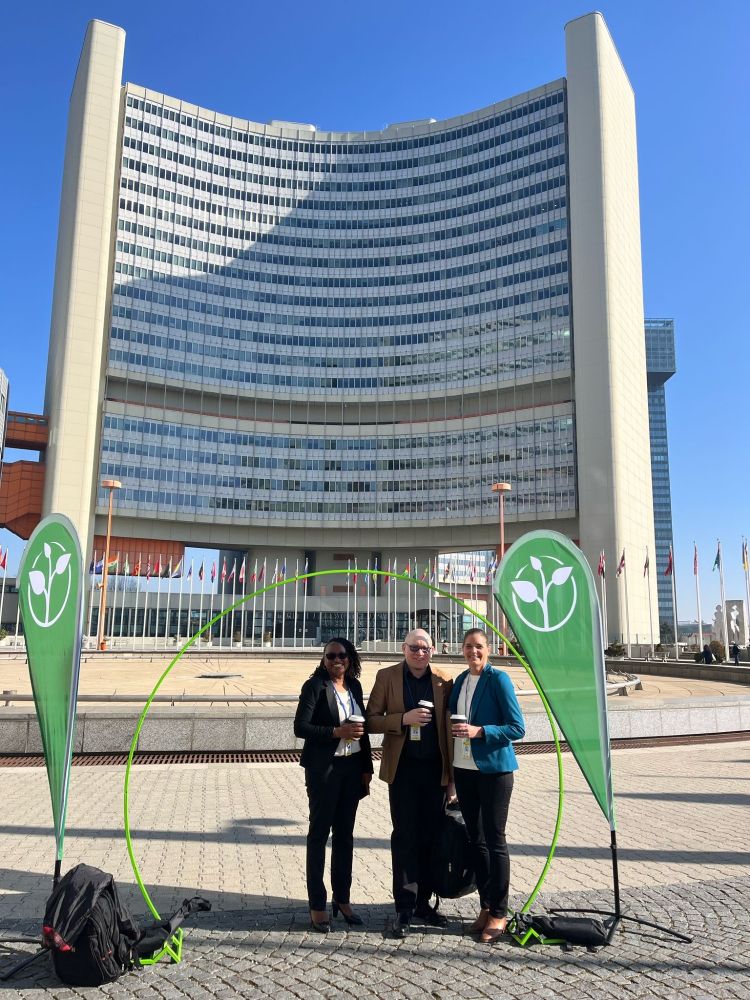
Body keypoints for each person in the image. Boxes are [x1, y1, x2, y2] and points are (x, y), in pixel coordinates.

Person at [366, 628, 453, 938]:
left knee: (432, 838)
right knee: (405, 837)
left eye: (425, 648)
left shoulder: (443, 680)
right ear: (403, 649)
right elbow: (372, 719)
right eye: (414, 648)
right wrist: (403, 719)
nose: (420, 653)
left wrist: (452, 778)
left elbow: (450, 729)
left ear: (433, 651)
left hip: (434, 772)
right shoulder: (387, 677)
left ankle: (424, 904)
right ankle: (403, 906)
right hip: (402, 771)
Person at [449, 628, 525, 943]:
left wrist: (481, 731)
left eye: (479, 646)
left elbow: (516, 727)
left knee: (495, 840)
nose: (473, 652)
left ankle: (500, 912)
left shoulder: (498, 680)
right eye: (468, 647)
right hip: (464, 769)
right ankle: (485, 906)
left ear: (488, 649)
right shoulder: (460, 682)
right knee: (476, 841)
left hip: (493, 770)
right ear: (462, 649)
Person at [294, 637, 373, 932]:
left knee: (345, 836)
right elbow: (300, 727)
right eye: (330, 656)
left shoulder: (354, 687)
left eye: (341, 655)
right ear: (324, 659)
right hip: (324, 770)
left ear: (350, 659)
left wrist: (366, 767)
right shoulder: (315, 686)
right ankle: (317, 904)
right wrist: (336, 731)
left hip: (351, 769)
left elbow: (362, 731)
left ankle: (342, 898)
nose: (336, 660)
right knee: (318, 834)